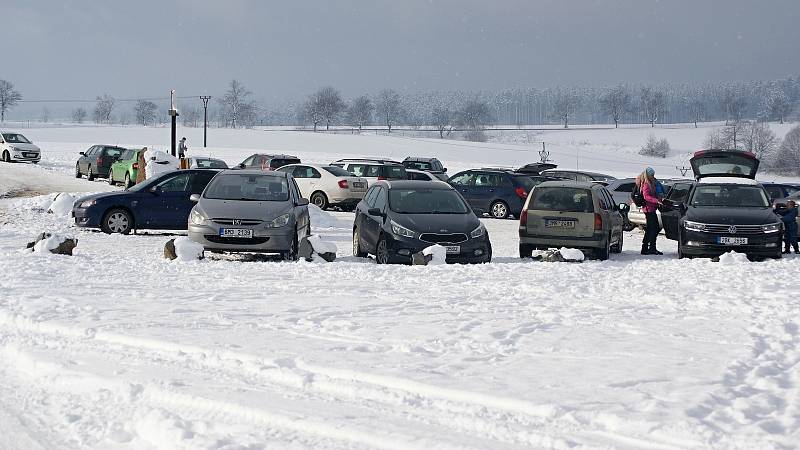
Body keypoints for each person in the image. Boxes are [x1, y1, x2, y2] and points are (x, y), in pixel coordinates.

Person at [637, 167, 663, 255]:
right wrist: (656, 200)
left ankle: (647, 247)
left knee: (651, 228)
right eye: (652, 175)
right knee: (653, 228)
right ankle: (650, 247)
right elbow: (646, 196)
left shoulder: (651, 183)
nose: (653, 176)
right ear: (648, 175)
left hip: (651, 208)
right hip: (649, 209)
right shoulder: (646, 184)